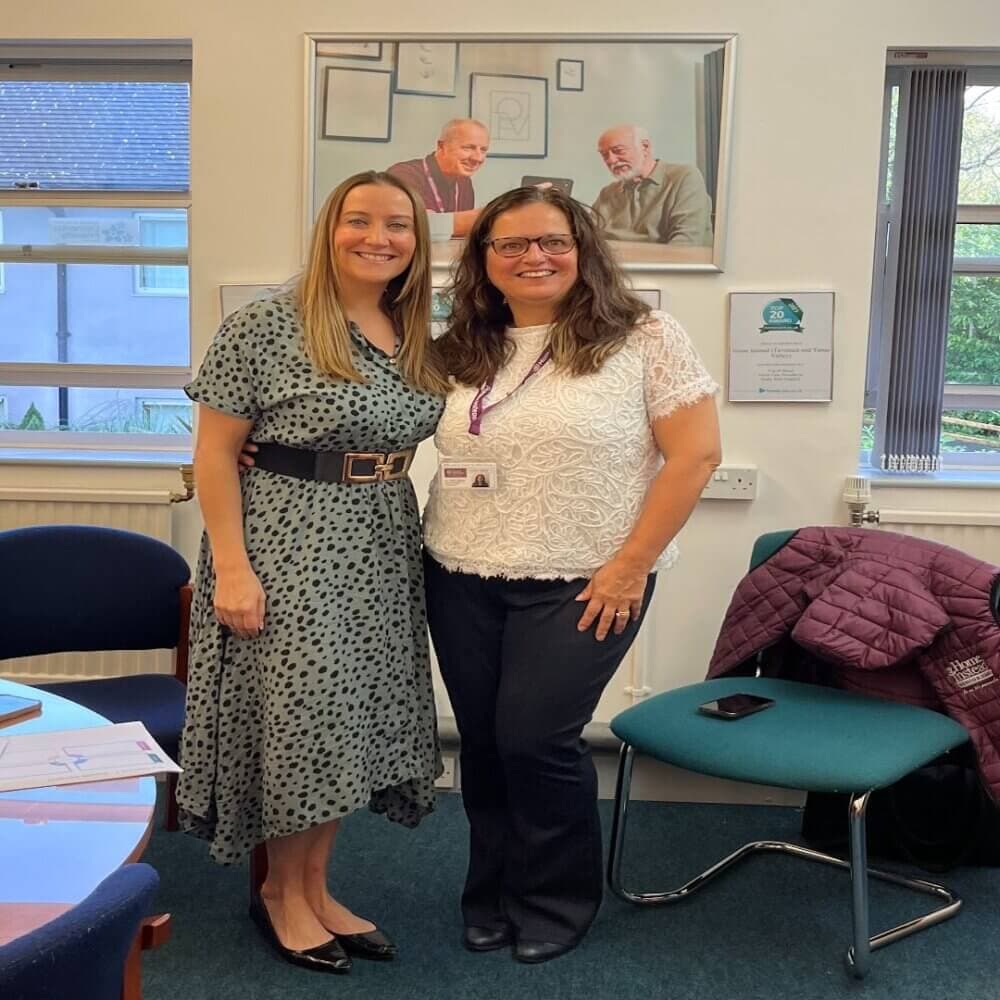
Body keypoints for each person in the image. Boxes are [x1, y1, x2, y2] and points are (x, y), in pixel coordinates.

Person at [422, 186, 721, 963]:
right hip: (460, 569)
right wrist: (261, 448)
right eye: (511, 244)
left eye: (551, 241)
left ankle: (555, 897)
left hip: (589, 576)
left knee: (536, 740)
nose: (534, 257)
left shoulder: (645, 336)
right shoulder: (461, 345)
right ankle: (488, 890)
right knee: (484, 743)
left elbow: (695, 456)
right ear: (484, 260)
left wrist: (631, 567)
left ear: (582, 248)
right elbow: (375, 420)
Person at [177, 170, 449, 975]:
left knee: (348, 728)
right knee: (299, 724)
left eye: (397, 224)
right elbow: (215, 455)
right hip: (286, 542)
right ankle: (279, 898)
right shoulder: (266, 324)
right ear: (329, 229)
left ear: (417, 240)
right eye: (358, 221)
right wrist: (232, 568)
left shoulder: (419, 331)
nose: (379, 237)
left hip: (381, 541)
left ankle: (318, 889)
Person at [592, 124, 714, 246]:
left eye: (618, 151)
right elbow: (587, 236)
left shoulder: (684, 177)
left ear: (645, 147)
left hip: (662, 263)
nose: (611, 160)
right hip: (610, 263)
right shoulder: (607, 193)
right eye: (604, 155)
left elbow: (685, 243)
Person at [388, 118, 490, 238]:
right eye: (468, 148)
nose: (478, 158)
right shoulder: (404, 174)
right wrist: (485, 217)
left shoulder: (464, 182)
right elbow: (412, 225)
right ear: (442, 146)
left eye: (483, 150)